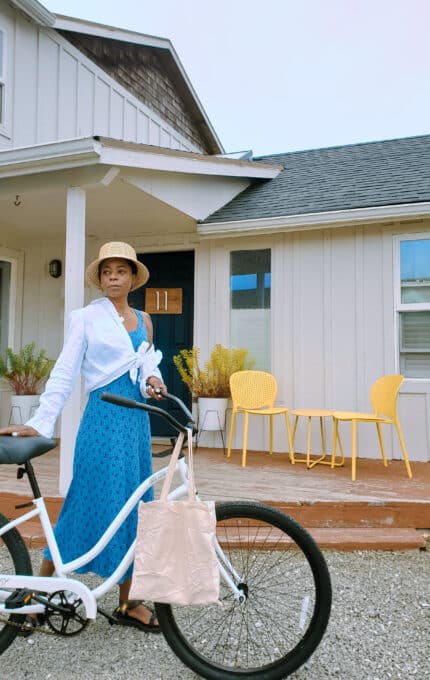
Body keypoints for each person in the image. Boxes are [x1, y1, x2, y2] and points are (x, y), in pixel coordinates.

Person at [0, 241, 166, 634]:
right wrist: (41, 421)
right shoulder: (86, 318)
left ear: (132, 278)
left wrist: (154, 380)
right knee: (84, 502)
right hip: (103, 421)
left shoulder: (144, 319)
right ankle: (36, 595)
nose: (113, 278)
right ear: (100, 278)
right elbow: (65, 370)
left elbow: (143, 366)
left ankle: (129, 602)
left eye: (120, 271)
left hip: (136, 423)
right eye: (107, 271)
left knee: (135, 506)